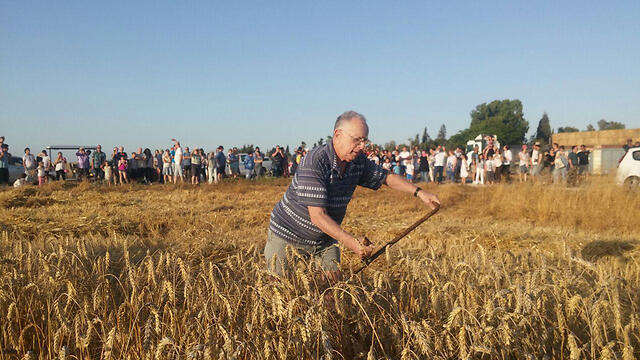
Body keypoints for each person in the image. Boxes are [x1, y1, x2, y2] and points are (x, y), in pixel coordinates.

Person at [265, 111, 440, 281]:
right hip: (288, 234)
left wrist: (419, 192)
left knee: (332, 291)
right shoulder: (315, 161)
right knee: (279, 289)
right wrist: (352, 243)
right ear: (337, 134)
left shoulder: (357, 161)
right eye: (357, 140)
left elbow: (385, 177)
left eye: (364, 140)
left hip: (324, 240)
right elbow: (318, 216)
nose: (362, 146)